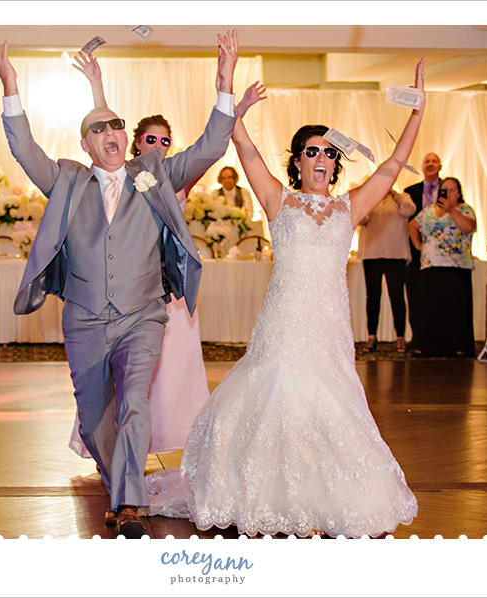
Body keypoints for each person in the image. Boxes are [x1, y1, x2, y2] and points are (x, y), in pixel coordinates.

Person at [148, 59, 426, 539]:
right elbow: (241, 143)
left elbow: (394, 166)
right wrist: (230, 90)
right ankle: (267, 493)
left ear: (335, 163)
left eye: (329, 153)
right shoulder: (278, 199)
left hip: (329, 326)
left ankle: (324, 497)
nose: (322, 158)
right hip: (285, 322)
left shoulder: (350, 207)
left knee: (329, 405)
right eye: (311, 151)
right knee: (277, 397)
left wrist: (417, 110)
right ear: (298, 161)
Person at [0, 31, 239, 539]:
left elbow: (211, 145)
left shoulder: (154, 174)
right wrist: (10, 84)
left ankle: (128, 505)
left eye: (117, 125)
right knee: (96, 418)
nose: (112, 132)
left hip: (144, 314)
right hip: (83, 318)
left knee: (134, 403)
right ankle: (115, 479)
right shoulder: (67, 179)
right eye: (100, 129)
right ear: (86, 144)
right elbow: (23, 148)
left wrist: (225, 85)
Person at [408, 177, 477, 357]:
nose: (449, 192)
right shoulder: (429, 211)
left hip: (456, 266)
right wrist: (418, 245)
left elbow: (468, 227)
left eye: (453, 189)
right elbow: (412, 226)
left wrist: (451, 210)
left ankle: (459, 346)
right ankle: (427, 346)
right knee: (430, 307)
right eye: (445, 189)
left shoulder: (465, 210)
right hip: (431, 266)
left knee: (456, 308)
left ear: (459, 193)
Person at [356, 183, 415, 353]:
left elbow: (408, 210)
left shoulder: (402, 197)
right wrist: (371, 197)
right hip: (372, 254)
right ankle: (372, 336)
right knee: (373, 296)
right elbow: (361, 218)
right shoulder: (370, 198)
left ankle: (400, 337)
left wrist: (394, 195)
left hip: (395, 254)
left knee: (396, 295)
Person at [403, 152, 442, 349]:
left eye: (434, 161)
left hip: (442, 254)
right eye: (427, 161)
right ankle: (418, 338)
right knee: (416, 296)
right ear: (422, 166)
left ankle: (438, 337)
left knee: (438, 296)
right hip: (416, 252)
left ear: (440, 166)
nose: (430, 164)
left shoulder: (449, 189)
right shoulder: (410, 191)